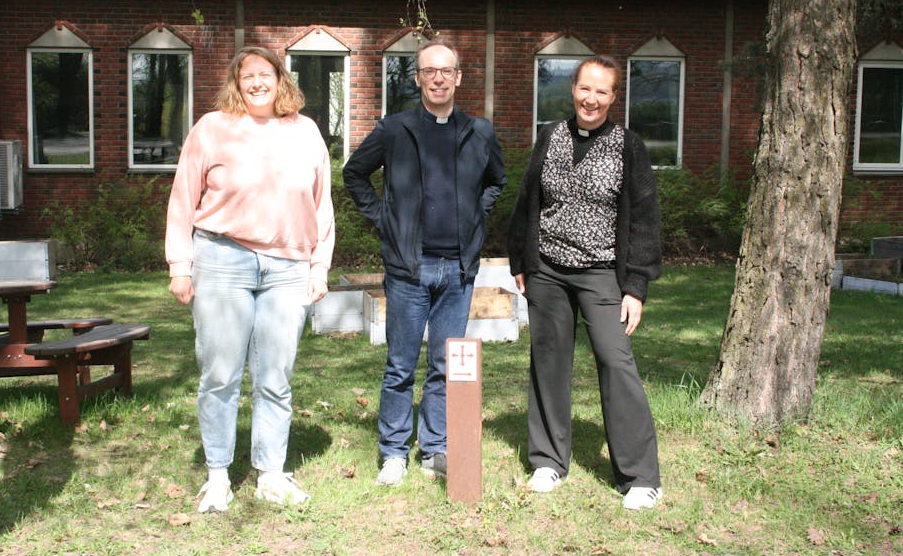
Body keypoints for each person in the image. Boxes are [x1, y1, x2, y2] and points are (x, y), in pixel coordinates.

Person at [165, 46, 335, 512]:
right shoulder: (212, 128)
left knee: (275, 375)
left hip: (288, 267)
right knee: (220, 374)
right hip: (223, 260)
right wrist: (180, 265)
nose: (258, 83)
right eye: (248, 77)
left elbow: (321, 204)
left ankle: (271, 475)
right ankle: (218, 476)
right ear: (236, 84)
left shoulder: (305, 131)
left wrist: (319, 266)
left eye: (266, 74)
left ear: (281, 79)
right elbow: (182, 198)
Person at [343, 39, 506, 486]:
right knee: (400, 365)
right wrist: (385, 219)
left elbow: (497, 181)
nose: (438, 78)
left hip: (458, 270)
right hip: (409, 269)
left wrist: (475, 215)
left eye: (446, 70)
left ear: (458, 78)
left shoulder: (479, 132)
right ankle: (394, 452)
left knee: (445, 364)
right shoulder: (394, 129)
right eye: (429, 71)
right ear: (417, 78)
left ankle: (435, 447)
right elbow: (354, 173)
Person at [506, 55, 663, 510]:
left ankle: (640, 476)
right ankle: (548, 461)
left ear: (614, 97)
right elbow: (528, 199)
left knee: (615, 360)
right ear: (573, 89)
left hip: (602, 272)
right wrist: (521, 258)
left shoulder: (627, 146)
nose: (591, 99)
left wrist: (635, 287)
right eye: (584, 88)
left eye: (601, 91)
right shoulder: (549, 136)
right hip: (548, 270)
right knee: (548, 361)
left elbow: (645, 219)